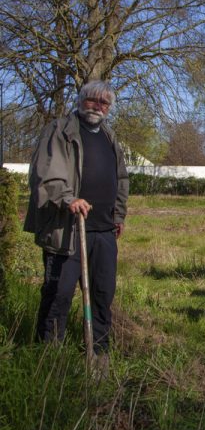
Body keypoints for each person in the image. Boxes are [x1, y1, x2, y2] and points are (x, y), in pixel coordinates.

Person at [24, 80, 128, 371]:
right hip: (67, 229)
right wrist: (68, 198)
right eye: (92, 100)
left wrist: (118, 214)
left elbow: (121, 179)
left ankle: (99, 355)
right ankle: (49, 357)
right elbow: (46, 173)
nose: (97, 106)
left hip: (103, 230)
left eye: (104, 103)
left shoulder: (109, 136)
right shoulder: (60, 131)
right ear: (81, 100)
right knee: (59, 294)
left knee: (102, 293)